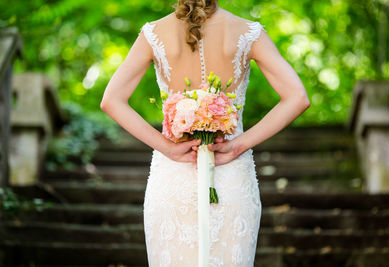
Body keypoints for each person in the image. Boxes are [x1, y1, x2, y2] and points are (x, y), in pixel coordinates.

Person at [100, 0, 310, 266]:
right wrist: (238, 145)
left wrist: (167, 147)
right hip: (230, 172)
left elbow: (111, 100)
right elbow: (298, 97)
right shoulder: (248, 31)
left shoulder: (153, 32)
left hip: (172, 176)